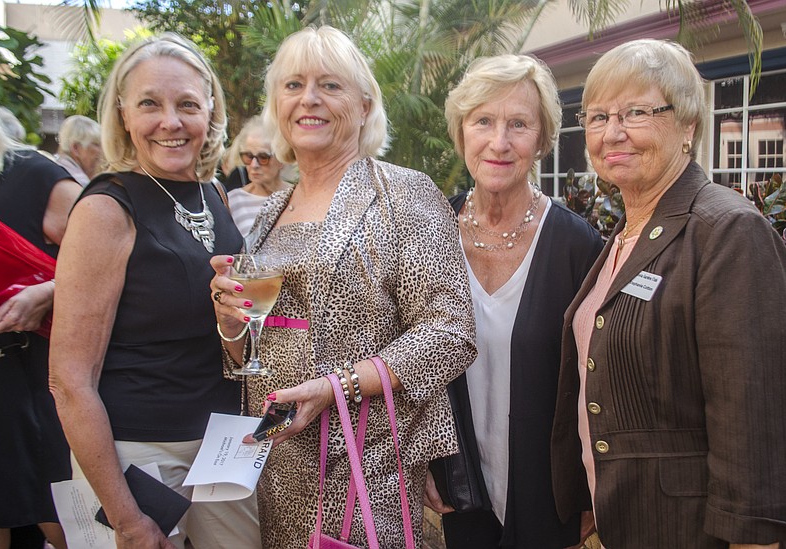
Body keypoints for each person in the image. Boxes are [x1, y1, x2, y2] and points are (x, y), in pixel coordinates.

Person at [209, 25, 477, 548]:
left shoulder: (403, 193)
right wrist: (230, 323)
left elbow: (451, 331)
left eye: (329, 85)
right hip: (278, 461)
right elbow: (252, 352)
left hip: (365, 462)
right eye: (293, 86)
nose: (308, 99)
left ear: (364, 104)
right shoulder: (270, 211)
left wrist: (337, 388)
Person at [550, 39, 786, 548]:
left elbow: (754, 420)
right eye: (599, 116)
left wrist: (753, 540)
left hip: (690, 531)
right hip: (625, 520)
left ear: (688, 125)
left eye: (636, 112)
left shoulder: (728, 231)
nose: (613, 132)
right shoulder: (627, 234)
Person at [48, 33, 260, 549]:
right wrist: (125, 517)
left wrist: (233, 327)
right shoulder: (105, 209)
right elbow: (69, 379)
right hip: (136, 454)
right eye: (149, 104)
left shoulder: (212, 195)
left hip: (223, 444)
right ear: (123, 113)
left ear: (211, 110)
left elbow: (230, 342)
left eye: (187, 104)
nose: (171, 122)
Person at [420, 54, 603, 549]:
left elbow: (595, 381)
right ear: (462, 132)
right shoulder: (430, 233)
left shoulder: (578, 246)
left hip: (547, 493)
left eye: (518, 124)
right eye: (484, 121)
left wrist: (588, 490)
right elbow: (410, 359)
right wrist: (426, 461)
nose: (499, 142)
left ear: (542, 140)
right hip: (463, 486)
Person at [0, 114, 81, 549]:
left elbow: (119, 256)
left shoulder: (30, 174)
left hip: (33, 376)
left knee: (60, 517)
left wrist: (48, 291)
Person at [227, 117, 292, 236]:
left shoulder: (296, 197)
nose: (254, 165)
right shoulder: (232, 201)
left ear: (281, 159)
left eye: (263, 157)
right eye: (248, 156)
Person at [55, 114, 103, 186]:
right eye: (96, 144)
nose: (102, 151)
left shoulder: (54, 169)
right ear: (76, 148)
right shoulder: (79, 182)